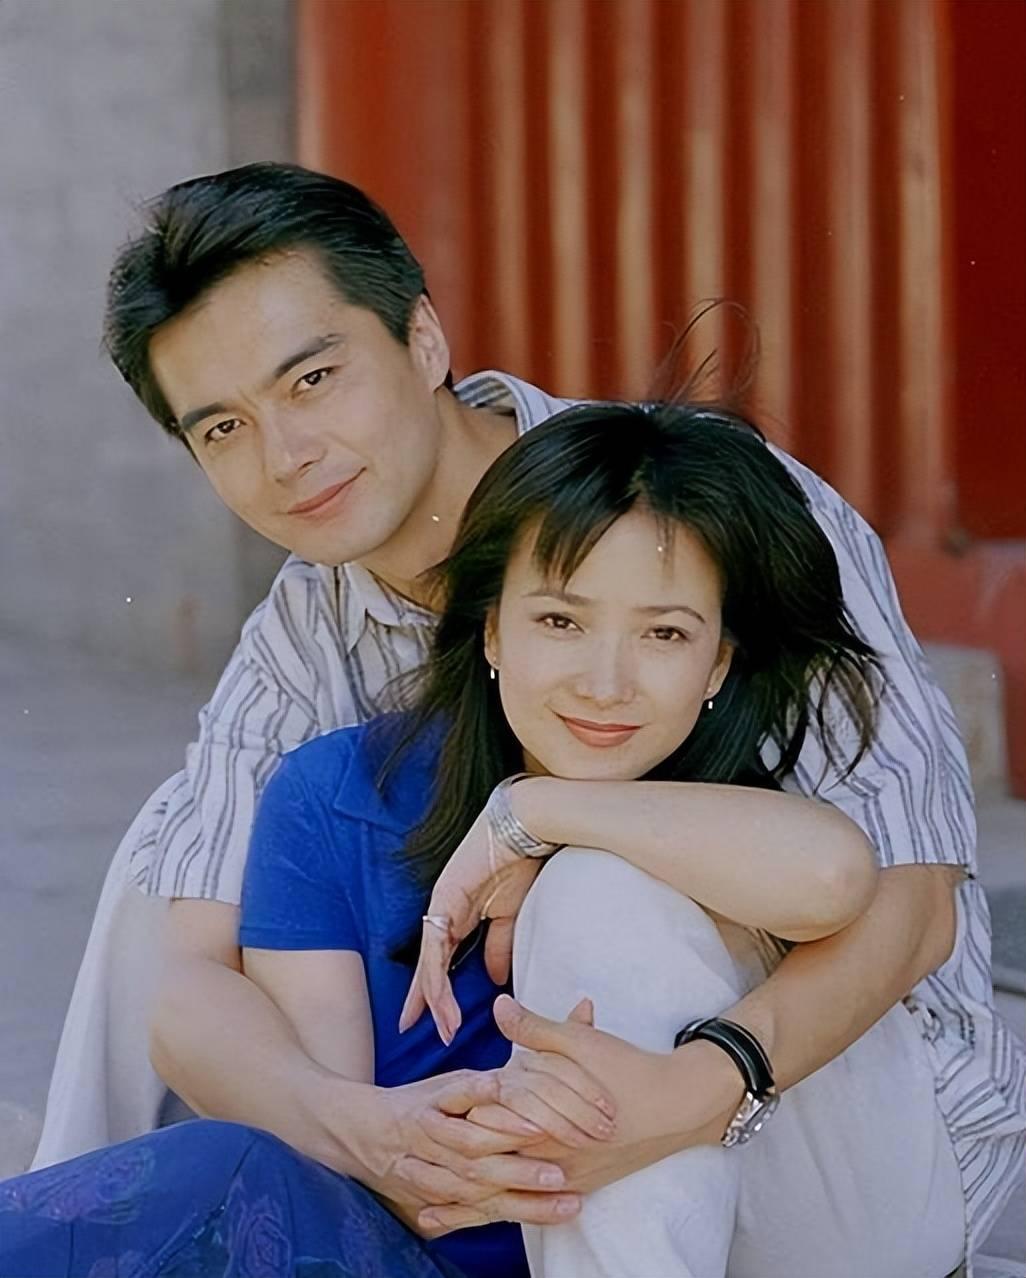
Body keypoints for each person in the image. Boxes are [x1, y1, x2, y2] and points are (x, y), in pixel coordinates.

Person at [29, 164, 1022, 1268]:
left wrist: (694, 1086)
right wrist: (364, 1134)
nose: (285, 456)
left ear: (422, 338)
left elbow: (914, 906)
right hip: (552, 1155)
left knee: (601, 888)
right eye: (223, 429)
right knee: (167, 862)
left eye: (312, 378)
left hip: (833, 1127)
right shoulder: (304, 632)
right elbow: (182, 988)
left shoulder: (697, 501)